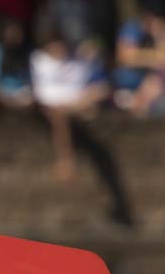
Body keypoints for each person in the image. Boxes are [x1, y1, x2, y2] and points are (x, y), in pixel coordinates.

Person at [31, 35, 108, 182]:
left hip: (78, 103)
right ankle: (66, 161)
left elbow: (102, 88)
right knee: (59, 116)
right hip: (57, 107)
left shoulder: (82, 60)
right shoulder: (39, 61)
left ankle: (66, 162)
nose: (59, 50)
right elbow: (42, 96)